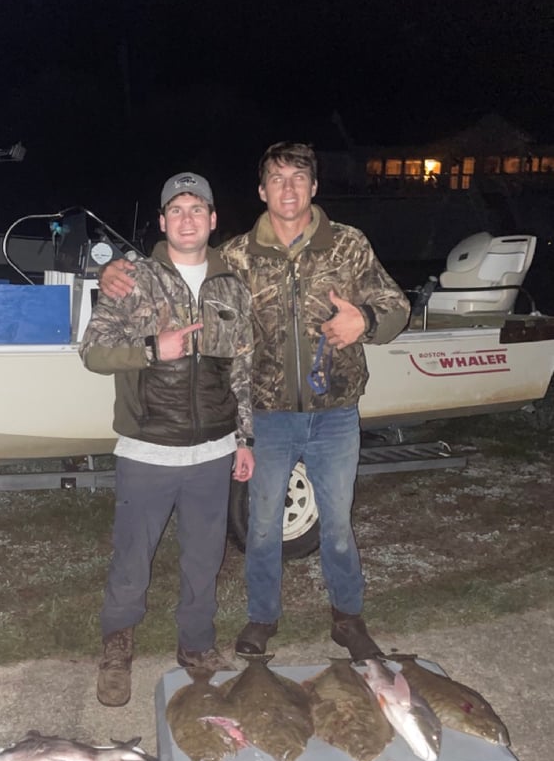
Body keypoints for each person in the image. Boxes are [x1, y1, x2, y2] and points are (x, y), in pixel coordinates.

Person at [100, 143, 411, 661]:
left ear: (314, 187)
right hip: (268, 417)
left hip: (335, 413)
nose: (288, 189)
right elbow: (182, 272)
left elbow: (396, 304)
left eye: (299, 178)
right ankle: (262, 618)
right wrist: (114, 272)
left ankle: (348, 618)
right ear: (261, 191)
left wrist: (368, 323)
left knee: (336, 524)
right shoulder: (237, 256)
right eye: (277, 179)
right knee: (262, 527)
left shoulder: (350, 245)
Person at [79, 172, 255, 706]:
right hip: (148, 447)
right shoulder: (132, 278)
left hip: (214, 449)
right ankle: (117, 648)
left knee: (205, 557)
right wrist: (154, 349)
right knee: (133, 557)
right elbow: (93, 351)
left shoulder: (233, 285)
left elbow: (242, 367)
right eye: (176, 209)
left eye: (196, 209)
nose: (186, 218)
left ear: (213, 219)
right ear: (162, 222)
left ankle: (197, 646)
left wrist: (244, 439)